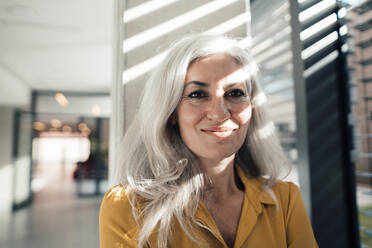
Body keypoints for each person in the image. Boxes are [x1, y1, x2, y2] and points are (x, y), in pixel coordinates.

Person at [99, 34, 318, 248]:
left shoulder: (285, 200)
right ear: (172, 111)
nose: (219, 113)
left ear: (252, 107)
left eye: (234, 93)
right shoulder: (127, 207)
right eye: (197, 94)